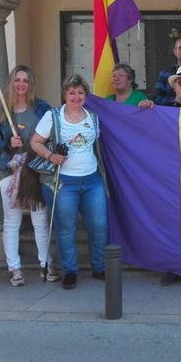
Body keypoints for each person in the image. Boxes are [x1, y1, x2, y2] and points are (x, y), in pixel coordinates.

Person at [30, 75, 107, 290]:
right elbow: (35, 142)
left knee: (99, 226)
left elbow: (95, 146)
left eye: (80, 93)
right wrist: (51, 156)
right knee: (65, 228)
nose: (76, 96)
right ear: (65, 94)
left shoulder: (93, 117)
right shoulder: (52, 116)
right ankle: (70, 271)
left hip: (92, 180)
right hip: (63, 182)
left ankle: (99, 267)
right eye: (72, 92)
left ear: (86, 96)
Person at [0, 65, 57, 286]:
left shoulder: (42, 107)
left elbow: (54, 131)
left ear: (31, 83)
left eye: (25, 80)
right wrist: (7, 142)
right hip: (10, 170)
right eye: (17, 80)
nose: (21, 85)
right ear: (11, 83)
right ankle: (14, 268)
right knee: (12, 222)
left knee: (40, 220)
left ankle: (46, 264)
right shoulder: (1, 110)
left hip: (36, 169)